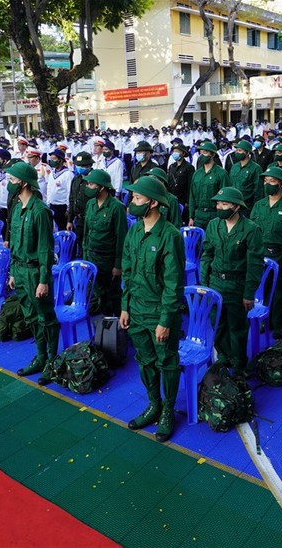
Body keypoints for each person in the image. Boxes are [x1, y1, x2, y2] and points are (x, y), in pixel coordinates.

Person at [120, 176, 185, 443]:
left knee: (167, 362)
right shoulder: (134, 230)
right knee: (145, 361)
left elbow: (174, 284)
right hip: (136, 310)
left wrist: (166, 320)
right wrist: (124, 307)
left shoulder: (170, 236)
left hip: (159, 313)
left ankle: (168, 411)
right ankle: (154, 404)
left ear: (153, 202)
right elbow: (127, 270)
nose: (131, 202)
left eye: (136, 198)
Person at [4, 161, 60, 380]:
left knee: (46, 318)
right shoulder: (17, 208)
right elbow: (16, 243)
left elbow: (46, 249)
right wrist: (11, 272)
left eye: (12, 180)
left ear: (24, 183)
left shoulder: (40, 211)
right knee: (31, 316)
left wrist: (44, 280)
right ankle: (40, 356)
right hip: (19, 271)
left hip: (36, 273)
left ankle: (52, 361)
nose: (9, 183)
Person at [200, 186, 265, 373]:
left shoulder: (251, 230)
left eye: (225, 204)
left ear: (236, 207)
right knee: (217, 322)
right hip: (215, 282)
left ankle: (238, 362)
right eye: (218, 204)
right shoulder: (213, 225)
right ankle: (224, 356)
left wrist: (249, 293)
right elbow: (207, 256)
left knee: (237, 326)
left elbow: (254, 265)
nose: (220, 207)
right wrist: (205, 285)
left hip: (237, 285)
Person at [250, 166, 282, 339]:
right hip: (262, 255)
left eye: (272, 181)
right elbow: (252, 232)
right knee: (264, 289)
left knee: (281, 291)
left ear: (281, 184)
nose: (268, 184)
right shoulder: (259, 205)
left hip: (281, 255)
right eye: (266, 181)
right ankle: (268, 319)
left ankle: (279, 323)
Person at [81, 169, 128, 317]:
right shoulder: (90, 204)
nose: (87, 187)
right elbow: (86, 233)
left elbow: (121, 238)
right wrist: (85, 256)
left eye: (91, 184)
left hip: (108, 260)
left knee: (113, 294)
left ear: (101, 187)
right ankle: (107, 326)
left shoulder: (116, 207)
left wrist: (118, 265)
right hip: (92, 257)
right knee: (97, 293)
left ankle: (121, 323)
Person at [189, 141, 230, 230]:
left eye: (205, 152)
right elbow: (192, 196)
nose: (202, 155)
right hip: (199, 214)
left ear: (212, 155)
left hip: (214, 214)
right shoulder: (197, 174)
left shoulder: (221, 173)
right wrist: (191, 216)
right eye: (201, 153)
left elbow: (225, 197)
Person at [227, 139, 263, 213]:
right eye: (236, 150)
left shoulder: (255, 168)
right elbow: (230, 184)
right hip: (233, 205)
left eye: (240, 151)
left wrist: (256, 208)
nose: (237, 152)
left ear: (247, 152)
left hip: (247, 206)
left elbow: (258, 190)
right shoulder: (234, 167)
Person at [66, 151, 94, 242]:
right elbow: (72, 199)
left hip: (92, 220)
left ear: (89, 165)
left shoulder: (95, 180)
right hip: (78, 220)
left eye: (82, 166)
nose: (79, 168)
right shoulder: (76, 179)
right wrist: (70, 220)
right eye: (78, 165)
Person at [45, 148, 71, 230]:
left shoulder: (68, 174)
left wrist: (68, 208)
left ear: (60, 160)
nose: (52, 161)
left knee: (63, 228)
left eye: (54, 159)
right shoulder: (52, 173)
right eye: (51, 159)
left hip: (62, 206)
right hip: (53, 205)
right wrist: (48, 203)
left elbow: (69, 191)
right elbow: (49, 188)